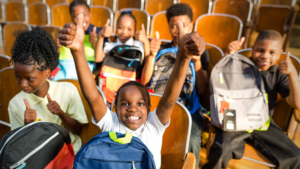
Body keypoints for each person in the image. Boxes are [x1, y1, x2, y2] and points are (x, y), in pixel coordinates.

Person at [58, 13, 205, 168]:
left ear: (149, 109)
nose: (132, 108)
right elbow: (93, 96)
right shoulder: (112, 123)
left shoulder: (153, 126)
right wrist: (77, 50)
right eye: (124, 103)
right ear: (114, 107)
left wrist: (183, 58)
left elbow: (169, 99)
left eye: (140, 104)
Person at [203, 30, 300, 169]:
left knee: (295, 157)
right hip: (233, 119)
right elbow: (219, 78)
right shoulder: (239, 65)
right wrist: (228, 56)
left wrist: (293, 74)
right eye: (260, 50)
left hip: (263, 123)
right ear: (252, 49)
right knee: (222, 150)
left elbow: (296, 103)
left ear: (280, 54)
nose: (265, 56)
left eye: (272, 53)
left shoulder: (278, 74)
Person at [141, 3, 208, 168]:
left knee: (192, 138)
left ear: (191, 25)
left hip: (188, 109)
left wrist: (197, 60)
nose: (178, 30)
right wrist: (151, 55)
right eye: (173, 26)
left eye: (184, 25)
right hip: (159, 107)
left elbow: (201, 89)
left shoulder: (199, 50)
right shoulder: (161, 48)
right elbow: (143, 81)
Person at [8, 27, 88, 155]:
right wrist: (26, 126)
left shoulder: (67, 90)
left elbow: (77, 129)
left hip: (70, 153)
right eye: (18, 77)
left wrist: (61, 113)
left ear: (47, 73)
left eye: (29, 79)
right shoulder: (15, 103)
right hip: (41, 158)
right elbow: (19, 145)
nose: (22, 84)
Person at [52, 0, 109, 80]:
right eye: (76, 16)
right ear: (71, 17)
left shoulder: (100, 33)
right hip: (65, 76)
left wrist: (95, 43)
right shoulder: (67, 32)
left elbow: (103, 62)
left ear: (90, 14)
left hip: (87, 76)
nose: (80, 19)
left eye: (84, 15)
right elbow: (55, 59)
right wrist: (58, 46)